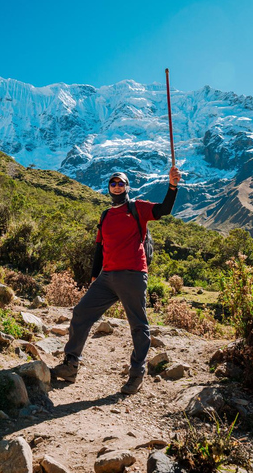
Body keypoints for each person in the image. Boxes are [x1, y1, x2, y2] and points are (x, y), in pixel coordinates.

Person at [51, 166, 182, 394]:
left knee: (138, 326)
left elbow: (164, 210)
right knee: (81, 312)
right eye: (113, 183)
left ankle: (136, 375)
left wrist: (172, 186)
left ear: (127, 187)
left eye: (121, 183)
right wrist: (94, 278)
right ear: (109, 188)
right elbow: (100, 249)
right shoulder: (106, 215)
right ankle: (71, 366)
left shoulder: (137, 208)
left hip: (132, 274)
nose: (117, 186)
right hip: (107, 277)